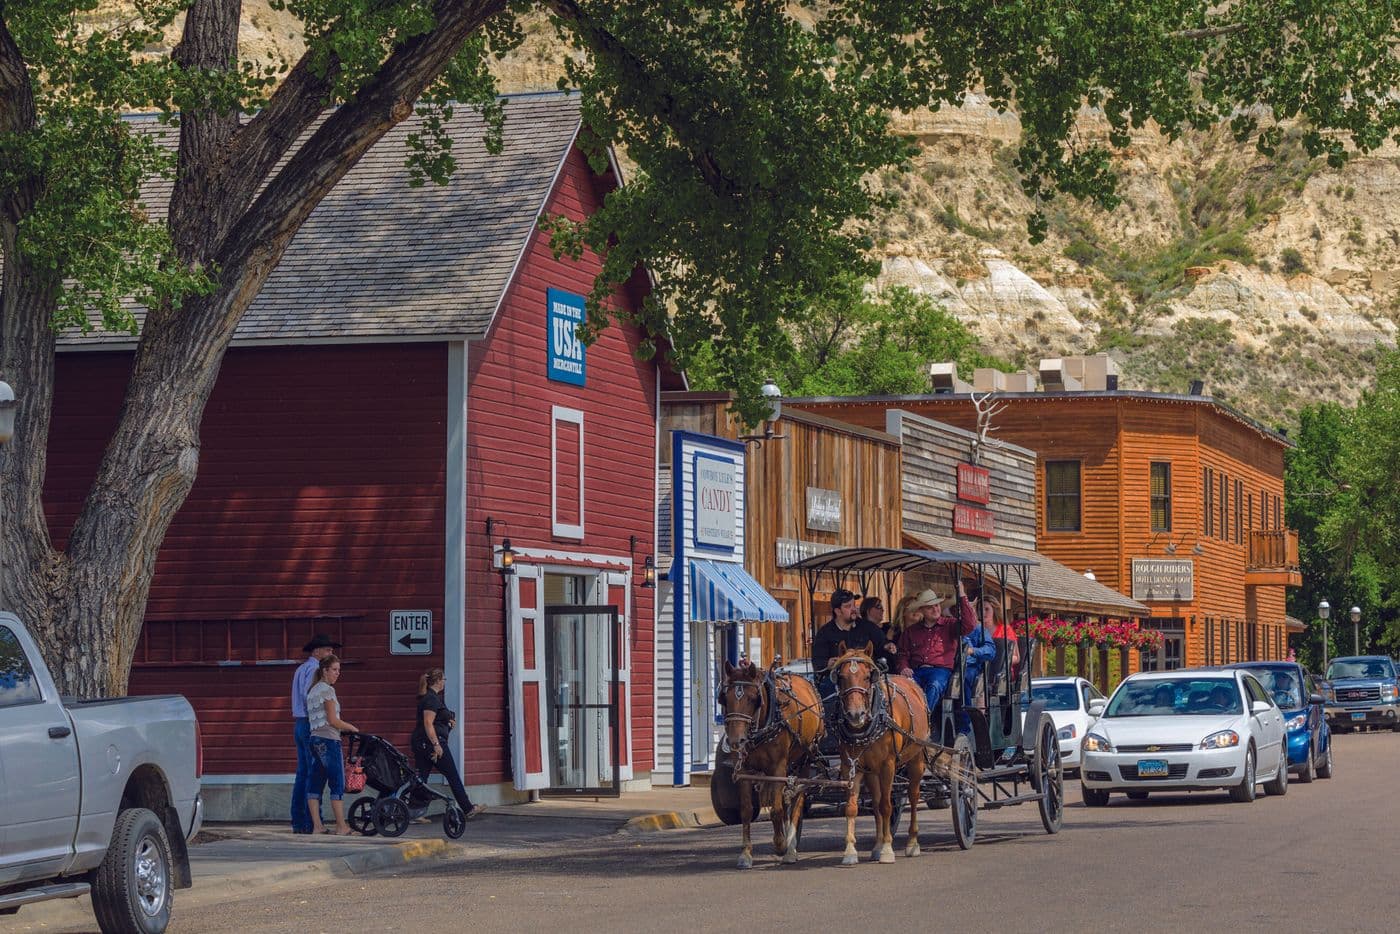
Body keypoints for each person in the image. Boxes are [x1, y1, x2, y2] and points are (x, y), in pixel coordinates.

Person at [412, 668, 486, 821]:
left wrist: (448, 721)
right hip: (433, 743)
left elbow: (435, 718)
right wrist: (436, 745)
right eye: (443, 679)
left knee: (422, 778)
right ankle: (468, 808)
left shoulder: (430, 697)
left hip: (422, 743)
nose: (445, 682)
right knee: (452, 775)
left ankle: (415, 812)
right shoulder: (431, 699)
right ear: (438, 681)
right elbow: (428, 723)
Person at [897, 579, 976, 718]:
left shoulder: (949, 625)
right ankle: (906, 722)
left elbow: (969, 625)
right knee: (902, 688)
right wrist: (904, 667)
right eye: (930, 607)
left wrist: (962, 594)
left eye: (937, 605)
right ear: (921, 610)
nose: (936, 609)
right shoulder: (911, 631)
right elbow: (902, 653)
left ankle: (921, 721)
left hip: (940, 671)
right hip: (916, 671)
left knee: (934, 685)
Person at [291, 633, 340, 834]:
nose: (330, 653)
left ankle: (300, 821)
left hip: (300, 722)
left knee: (303, 773)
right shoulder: (313, 669)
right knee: (313, 773)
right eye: (328, 650)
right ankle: (312, 822)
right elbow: (308, 695)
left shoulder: (300, 668)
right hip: (311, 723)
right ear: (317, 651)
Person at [306, 654, 358, 835]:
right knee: (337, 781)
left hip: (314, 739)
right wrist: (351, 728)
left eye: (339, 670)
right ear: (324, 670)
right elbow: (333, 720)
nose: (338, 674)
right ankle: (341, 826)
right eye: (334, 670)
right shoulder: (327, 691)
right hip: (329, 739)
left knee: (315, 782)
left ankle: (317, 826)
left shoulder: (312, 690)